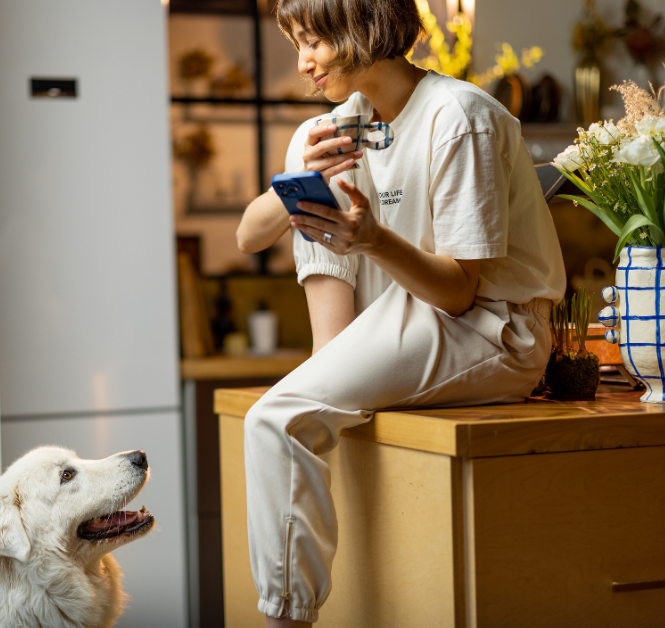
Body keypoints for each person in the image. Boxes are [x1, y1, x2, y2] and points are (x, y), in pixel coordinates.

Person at [236, 0, 566, 625]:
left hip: (491, 329)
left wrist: (372, 240)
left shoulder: (457, 116)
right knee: (311, 185)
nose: (302, 62)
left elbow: (459, 294)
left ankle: (286, 617)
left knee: (273, 419)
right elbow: (250, 237)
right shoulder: (334, 128)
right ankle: (329, 366)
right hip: (394, 317)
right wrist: (300, 179)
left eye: (313, 42)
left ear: (361, 29)